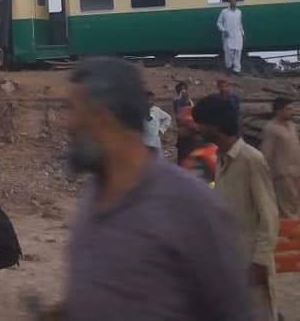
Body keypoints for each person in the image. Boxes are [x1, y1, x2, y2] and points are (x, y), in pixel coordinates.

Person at [59, 58, 249, 319]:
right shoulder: (93, 195)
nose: (66, 125)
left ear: (103, 118)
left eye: (72, 110)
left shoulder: (190, 206)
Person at [193, 94, 279, 319]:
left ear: (214, 124)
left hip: (251, 265)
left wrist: (260, 262)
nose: (198, 129)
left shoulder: (251, 159)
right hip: (230, 262)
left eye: (200, 123)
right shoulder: (221, 159)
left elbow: (269, 215)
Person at [261, 97, 300, 217]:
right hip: (283, 174)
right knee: (287, 208)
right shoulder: (271, 129)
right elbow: (266, 153)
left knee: (296, 204)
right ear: (278, 111)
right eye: (288, 109)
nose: (291, 111)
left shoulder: (292, 126)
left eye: (292, 109)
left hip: (296, 171)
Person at [217, 0, 245, 74]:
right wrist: (223, 30)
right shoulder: (224, 12)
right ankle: (228, 68)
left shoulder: (239, 12)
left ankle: (237, 70)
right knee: (228, 52)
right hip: (227, 35)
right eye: (232, 1)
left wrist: (243, 33)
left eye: (235, 1)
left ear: (236, 3)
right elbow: (219, 23)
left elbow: (240, 23)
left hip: (238, 35)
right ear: (229, 3)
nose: (233, 3)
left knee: (238, 52)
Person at [142, 91, 172, 157]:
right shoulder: (140, 110)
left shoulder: (156, 110)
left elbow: (168, 118)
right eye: (148, 99)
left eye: (152, 99)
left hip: (155, 139)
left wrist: (161, 129)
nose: (151, 101)